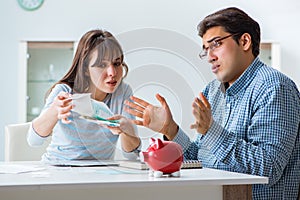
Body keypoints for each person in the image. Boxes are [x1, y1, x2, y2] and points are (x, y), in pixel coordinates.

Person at [125, 7, 300, 199]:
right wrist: (171, 129)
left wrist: (212, 131)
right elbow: (200, 160)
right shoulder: (213, 91)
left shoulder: (274, 88)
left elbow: (269, 168)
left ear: (244, 41)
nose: (210, 57)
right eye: (206, 49)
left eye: (216, 44)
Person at [27, 29, 141, 162]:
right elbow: (33, 140)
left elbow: (132, 155)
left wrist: (126, 130)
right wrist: (54, 111)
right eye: (102, 65)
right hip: (59, 169)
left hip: (99, 173)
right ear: (85, 69)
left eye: (116, 63)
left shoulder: (123, 92)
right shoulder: (64, 91)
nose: (112, 72)